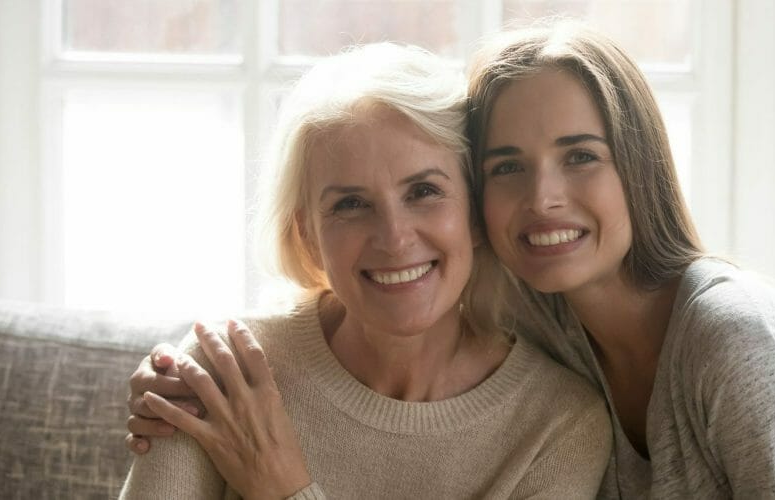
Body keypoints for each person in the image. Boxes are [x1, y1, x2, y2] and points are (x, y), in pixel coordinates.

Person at [128, 22, 775, 499]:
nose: (543, 200)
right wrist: (179, 372)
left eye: (580, 156)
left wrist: (282, 489)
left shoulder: (725, 343)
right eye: (509, 165)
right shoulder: (556, 323)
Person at [118, 42, 612, 499]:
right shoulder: (223, 374)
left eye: (423, 192)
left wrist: (284, 489)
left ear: (476, 214)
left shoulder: (559, 426)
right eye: (351, 204)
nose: (394, 238)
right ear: (307, 235)